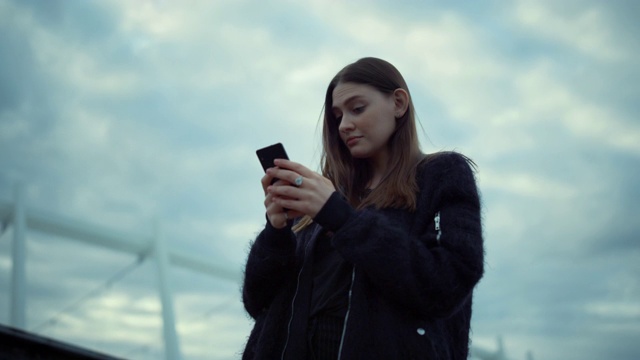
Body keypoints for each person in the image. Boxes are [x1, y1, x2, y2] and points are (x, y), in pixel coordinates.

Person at [241, 57, 484, 360]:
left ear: (398, 103)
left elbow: (447, 282)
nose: (344, 125)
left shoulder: (442, 174)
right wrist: (275, 233)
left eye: (357, 109)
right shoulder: (321, 197)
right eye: (337, 116)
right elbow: (257, 303)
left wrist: (340, 218)